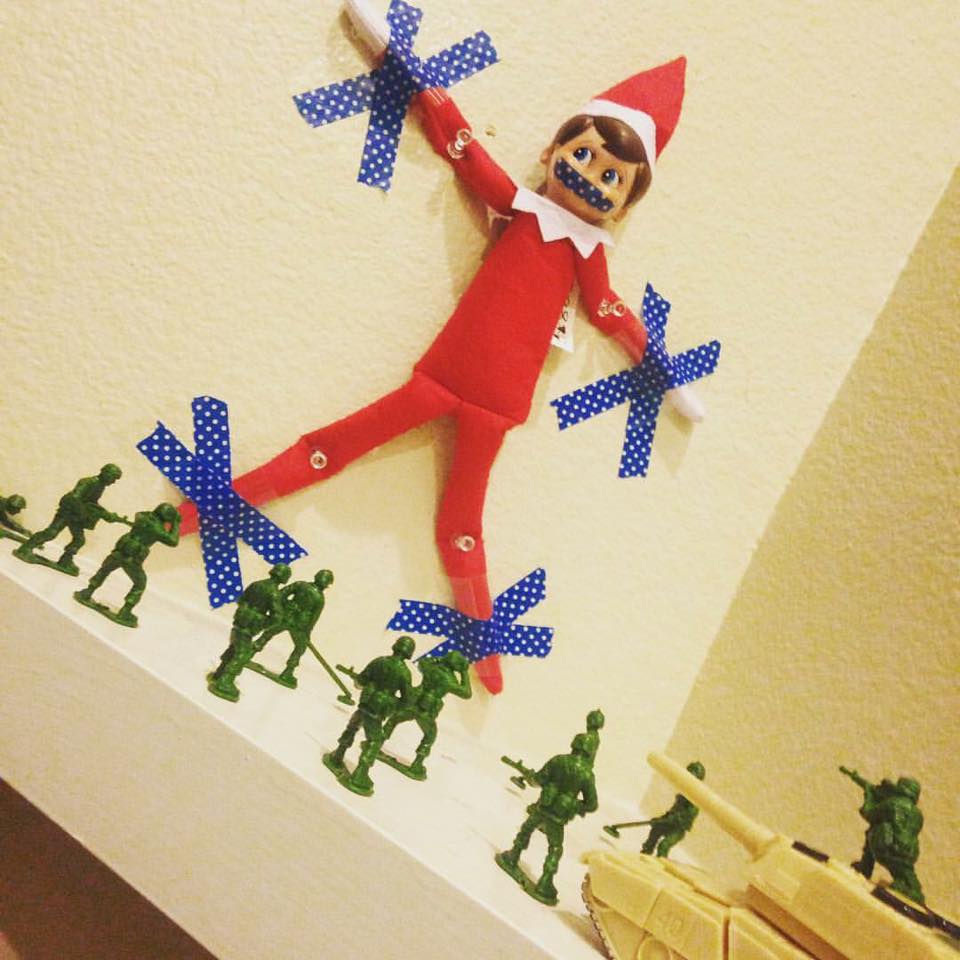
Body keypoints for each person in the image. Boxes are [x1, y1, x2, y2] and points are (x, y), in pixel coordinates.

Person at [177, 9, 687, 695]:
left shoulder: (588, 255)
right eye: (585, 153)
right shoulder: (520, 209)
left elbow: (608, 311)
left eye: (613, 176)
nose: (592, 175)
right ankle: (218, 505)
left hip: (499, 404)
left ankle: (482, 654)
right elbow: (462, 146)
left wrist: (667, 376)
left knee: (460, 524)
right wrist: (399, 58)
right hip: (443, 377)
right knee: (337, 444)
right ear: (552, 151)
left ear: (622, 207)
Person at [496, 732, 598, 906]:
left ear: (574, 744)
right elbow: (591, 804)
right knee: (555, 848)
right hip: (558, 816)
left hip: (543, 807)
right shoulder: (587, 774)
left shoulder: (559, 761)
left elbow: (538, 780)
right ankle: (545, 881)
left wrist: (530, 777)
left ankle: (513, 856)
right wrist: (573, 805)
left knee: (526, 831)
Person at [323, 636, 416, 796]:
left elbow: (361, 680)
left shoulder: (380, 661)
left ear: (395, 646)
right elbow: (407, 701)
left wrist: (366, 685)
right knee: (375, 741)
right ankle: (360, 775)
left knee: (352, 727)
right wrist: (391, 704)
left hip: (366, 702)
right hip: (378, 709)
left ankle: (338, 754)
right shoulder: (404, 673)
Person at [74, 502, 180, 627]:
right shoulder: (157, 529)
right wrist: (176, 523)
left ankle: (88, 591)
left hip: (119, 551)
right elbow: (173, 541)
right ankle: (125, 611)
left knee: (104, 570)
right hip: (132, 558)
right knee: (140, 583)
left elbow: (142, 514)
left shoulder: (141, 516)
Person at [15, 464, 125, 575]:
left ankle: (65, 560)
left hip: (76, 516)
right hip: (67, 512)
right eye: (113, 478)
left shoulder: (100, 487)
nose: (113, 482)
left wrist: (105, 514)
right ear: (105, 473)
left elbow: (92, 502)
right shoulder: (88, 482)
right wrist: (85, 514)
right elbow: (74, 498)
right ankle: (26, 548)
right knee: (51, 533)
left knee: (79, 540)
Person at [379, 649, 472, 780]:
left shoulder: (430, 668)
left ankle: (376, 744)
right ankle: (417, 764)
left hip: (414, 702)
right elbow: (466, 693)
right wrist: (464, 672)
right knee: (430, 736)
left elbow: (422, 661)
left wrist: (439, 659)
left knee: (394, 719)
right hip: (426, 710)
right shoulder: (449, 680)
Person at [841, 766, 925, 905]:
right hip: (911, 850)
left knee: (873, 832)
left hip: (890, 846)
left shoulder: (892, 804)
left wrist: (869, 794)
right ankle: (912, 887)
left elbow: (868, 813)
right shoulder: (918, 814)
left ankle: (866, 868)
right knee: (905, 869)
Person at [208, 563, 291, 702]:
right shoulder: (274, 593)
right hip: (249, 627)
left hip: (239, 622)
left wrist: (245, 612)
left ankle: (219, 673)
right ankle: (225, 681)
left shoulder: (256, 584)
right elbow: (277, 617)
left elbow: (241, 599)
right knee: (243, 654)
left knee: (233, 648)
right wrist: (262, 623)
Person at [253, 568, 335, 689]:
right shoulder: (319, 599)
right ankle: (288, 672)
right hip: (300, 625)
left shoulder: (301, 585)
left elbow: (281, 594)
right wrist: (307, 633)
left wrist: (287, 605)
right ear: (327, 585)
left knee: (267, 634)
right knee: (300, 648)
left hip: (287, 617)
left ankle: (249, 654)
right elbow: (313, 620)